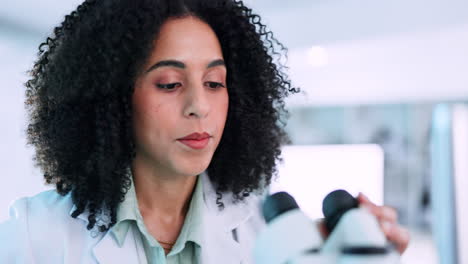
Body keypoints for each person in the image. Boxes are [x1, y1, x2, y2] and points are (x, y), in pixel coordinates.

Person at [0, 0, 410, 263]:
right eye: (170, 84)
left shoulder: (272, 240)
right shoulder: (32, 236)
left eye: (214, 83)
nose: (199, 106)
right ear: (113, 99)